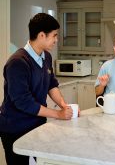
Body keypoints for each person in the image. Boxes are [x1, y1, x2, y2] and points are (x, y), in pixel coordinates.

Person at [0, 13, 76, 165]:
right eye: (54, 35)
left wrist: (64, 106)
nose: (56, 40)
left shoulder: (46, 57)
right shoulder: (18, 63)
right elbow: (23, 102)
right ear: (42, 35)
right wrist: (58, 114)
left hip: (36, 124)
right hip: (15, 127)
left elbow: (51, 84)